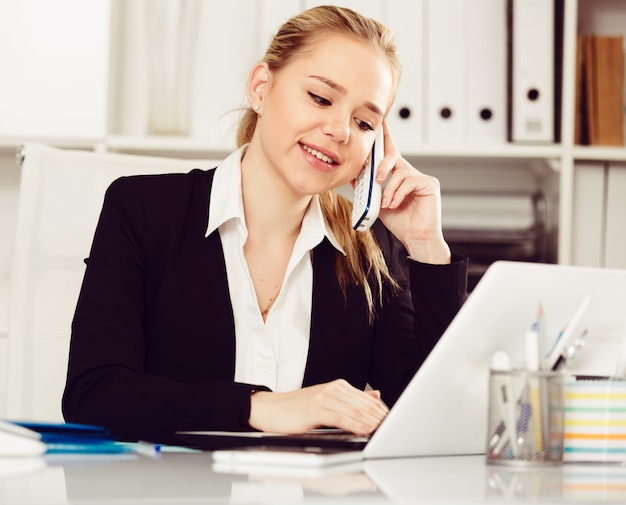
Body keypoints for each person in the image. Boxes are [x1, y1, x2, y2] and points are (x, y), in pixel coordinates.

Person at [62, 5, 468, 445]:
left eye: (364, 121)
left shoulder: (369, 252)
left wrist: (427, 246)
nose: (340, 131)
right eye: (320, 97)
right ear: (260, 87)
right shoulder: (141, 209)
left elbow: (436, 418)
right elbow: (93, 394)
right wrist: (263, 407)